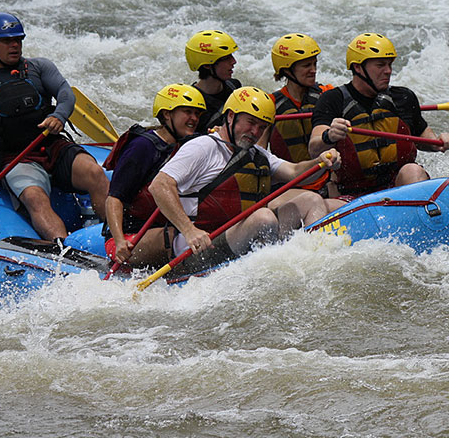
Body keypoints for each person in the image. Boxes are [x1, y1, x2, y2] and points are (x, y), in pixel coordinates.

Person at [145, 86, 339, 273]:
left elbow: (296, 171)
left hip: (242, 236)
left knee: (311, 200)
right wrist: (189, 230)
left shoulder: (257, 154)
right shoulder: (203, 146)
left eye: (262, 127)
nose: (255, 132)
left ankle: (314, 262)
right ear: (230, 116)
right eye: (250, 123)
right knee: (263, 217)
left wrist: (321, 162)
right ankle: (272, 271)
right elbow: (160, 185)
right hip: (200, 249)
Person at [0, 12, 109, 241]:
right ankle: (66, 253)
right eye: (7, 41)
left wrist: (59, 116)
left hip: (52, 146)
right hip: (16, 157)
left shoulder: (39, 68)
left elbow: (66, 94)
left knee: (94, 172)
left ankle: (112, 237)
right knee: (35, 198)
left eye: (18, 39)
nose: (15, 45)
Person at [309, 32, 449, 197]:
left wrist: (440, 141)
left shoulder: (403, 97)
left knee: (413, 171)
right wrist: (329, 136)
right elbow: (314, 148)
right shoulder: (332, 99)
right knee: (325, 201)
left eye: (389, 65)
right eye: (380, 65)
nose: (388, 71)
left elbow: (424, 136)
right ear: (358, 67)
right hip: (350, 195)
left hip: (396, 188)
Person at [103, 84, 206, 266]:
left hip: (162, 227)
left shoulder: (190, 145)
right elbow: (114, 198)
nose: (194, 119)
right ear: (167, 114)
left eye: (197, 114)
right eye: (188, 112)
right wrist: (119, 241)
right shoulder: (142, 147)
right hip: (130, 237)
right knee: (176, 236)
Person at [267, 33, 337, 198]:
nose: (313, 70)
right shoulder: (269, 104)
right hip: (290, 186)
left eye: (314, 64)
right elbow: (260, 151)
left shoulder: (327, 94)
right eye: (306, 65)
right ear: (287, 69)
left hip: (328, 182)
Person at [185, 29, 242, 131]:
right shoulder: (192, 105)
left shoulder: (234, 87)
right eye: (226, 58)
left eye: (232, 56)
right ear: (207, 65)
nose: (233, 61)